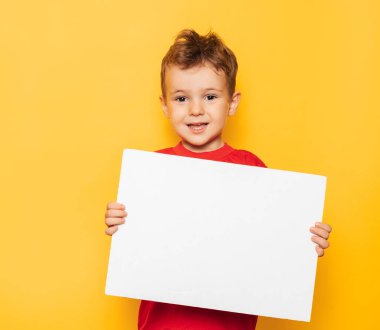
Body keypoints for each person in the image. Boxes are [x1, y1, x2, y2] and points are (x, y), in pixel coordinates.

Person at [104, 29, 332, 330]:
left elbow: (272, 246)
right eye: (182, 98)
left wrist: (304, 243)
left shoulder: (252, 169)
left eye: (210, 97)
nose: (196, 110)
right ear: (165, 106)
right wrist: (119, 221)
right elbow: (136, 247)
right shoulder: (152, 172)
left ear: (232, 103)